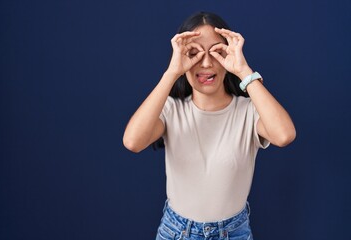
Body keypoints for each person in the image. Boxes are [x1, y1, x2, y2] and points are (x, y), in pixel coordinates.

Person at [123, 11, 296, 240]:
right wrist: (172, 72)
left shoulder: (248, 111)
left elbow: (284, 135)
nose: (206, 63)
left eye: (217, 52)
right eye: (194, 53)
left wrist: (243, 70)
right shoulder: (172, 110)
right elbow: (133, 142)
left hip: (234, 233)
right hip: (177, 232)